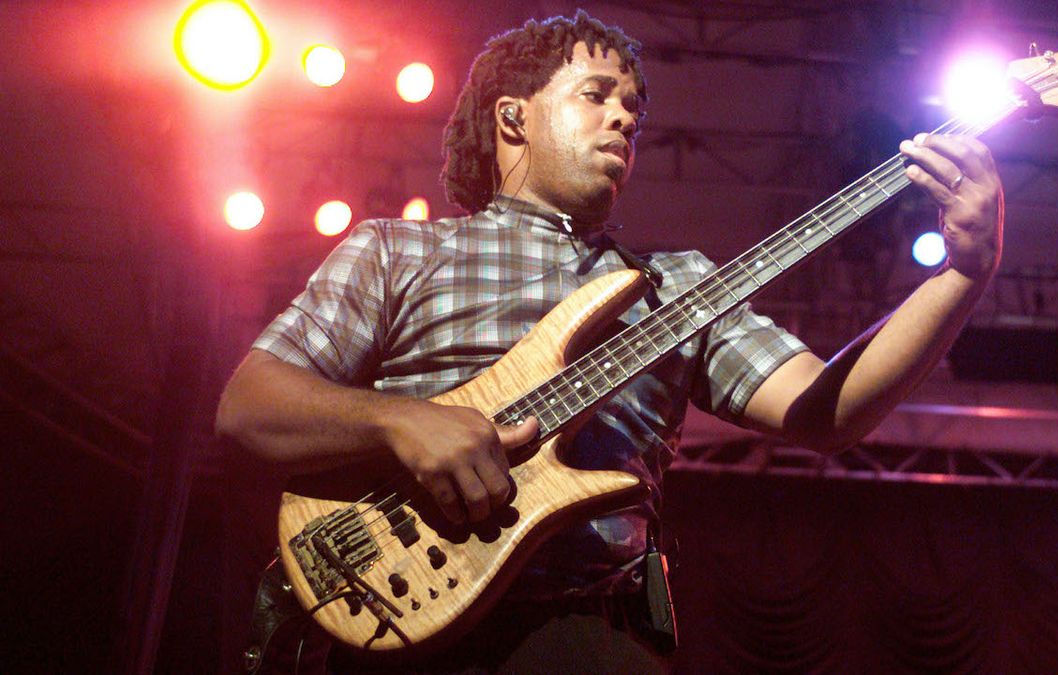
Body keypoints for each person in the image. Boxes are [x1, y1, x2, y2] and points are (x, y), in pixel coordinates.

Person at [216, 10, 1002, 673]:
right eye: (596, 96)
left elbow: (826, 413)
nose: (625, 117)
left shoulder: (675, 284)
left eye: (631, 106)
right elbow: (251, 406)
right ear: (514, 117)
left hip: (590, 628)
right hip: (398, 605)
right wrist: (402, 421)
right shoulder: (398, 250)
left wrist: (961, 274)